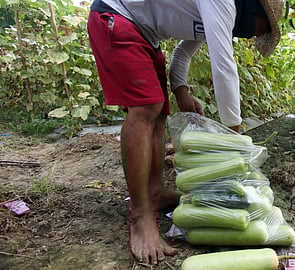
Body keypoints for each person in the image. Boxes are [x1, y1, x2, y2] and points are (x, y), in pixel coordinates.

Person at [87, 0, 284, 265]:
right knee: (146, 108)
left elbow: (183, 53)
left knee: (159, 114)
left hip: (145, 32)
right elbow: (223, 67)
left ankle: (155, 193)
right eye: (265, 27)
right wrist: (233, 139)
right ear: (254, 9)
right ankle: (140, 215)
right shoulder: (223, 2)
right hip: (118, 16)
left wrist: (182, 91)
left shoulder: (218, 15)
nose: (258, 34)